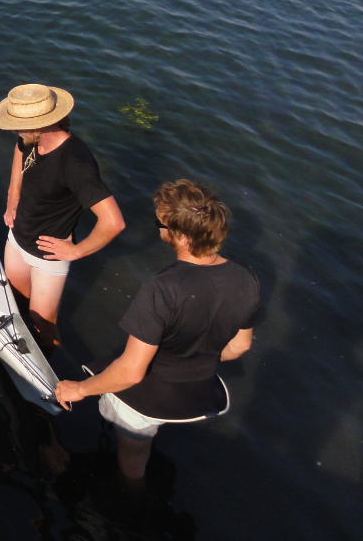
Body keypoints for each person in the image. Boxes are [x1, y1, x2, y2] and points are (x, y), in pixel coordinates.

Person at [54, 180, 259, 486]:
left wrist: (79, 389)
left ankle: (128, 506)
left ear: (181, 237)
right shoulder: (247, 278)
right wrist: (194, 358)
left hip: (147, 400)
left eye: (159, 223)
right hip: (196, 394)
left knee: (133, 459)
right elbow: (239, 347)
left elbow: (132, 373)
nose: (158, 229)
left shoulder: (162, 288)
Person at [0, 83, 124, 349]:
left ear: (39, 126)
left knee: (43, 325)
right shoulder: (29, 140)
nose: (15, 131)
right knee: (16, 300)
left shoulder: (76, 164)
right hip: (17, 239)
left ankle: (51, 370)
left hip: (48, 257)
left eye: (17, 126)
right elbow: (19, 153)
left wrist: (77, 250)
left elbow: (114, 222)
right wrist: (12, 198)